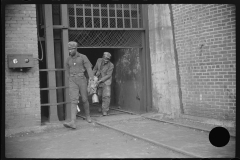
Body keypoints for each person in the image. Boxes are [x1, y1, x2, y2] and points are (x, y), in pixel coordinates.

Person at [64, 41, 94, 129]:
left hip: (82, 79)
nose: (69, 51)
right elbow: (67, 71)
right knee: (73, 100)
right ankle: (73, 121)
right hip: (73, 80)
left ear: (75, 49)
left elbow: (89, 68)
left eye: (71, 49)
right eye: (68, 49)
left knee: (84, 99)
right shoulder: (68, 59)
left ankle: (88, 116)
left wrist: (91, 80)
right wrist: (70, 79)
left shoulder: (83, 57)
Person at [93, 52, 114, 116]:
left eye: (107, 59)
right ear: (102, 57)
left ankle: (105, 110)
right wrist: (92, 76)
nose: (106, 60)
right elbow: (95, 69)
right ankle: (101, 107)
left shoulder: (111, 65)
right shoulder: (99, 60)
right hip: (98, 80)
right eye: (105, 58)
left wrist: (100, 81)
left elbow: (108, 75)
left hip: (106, 81)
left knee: (106, 96)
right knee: (99, 95)